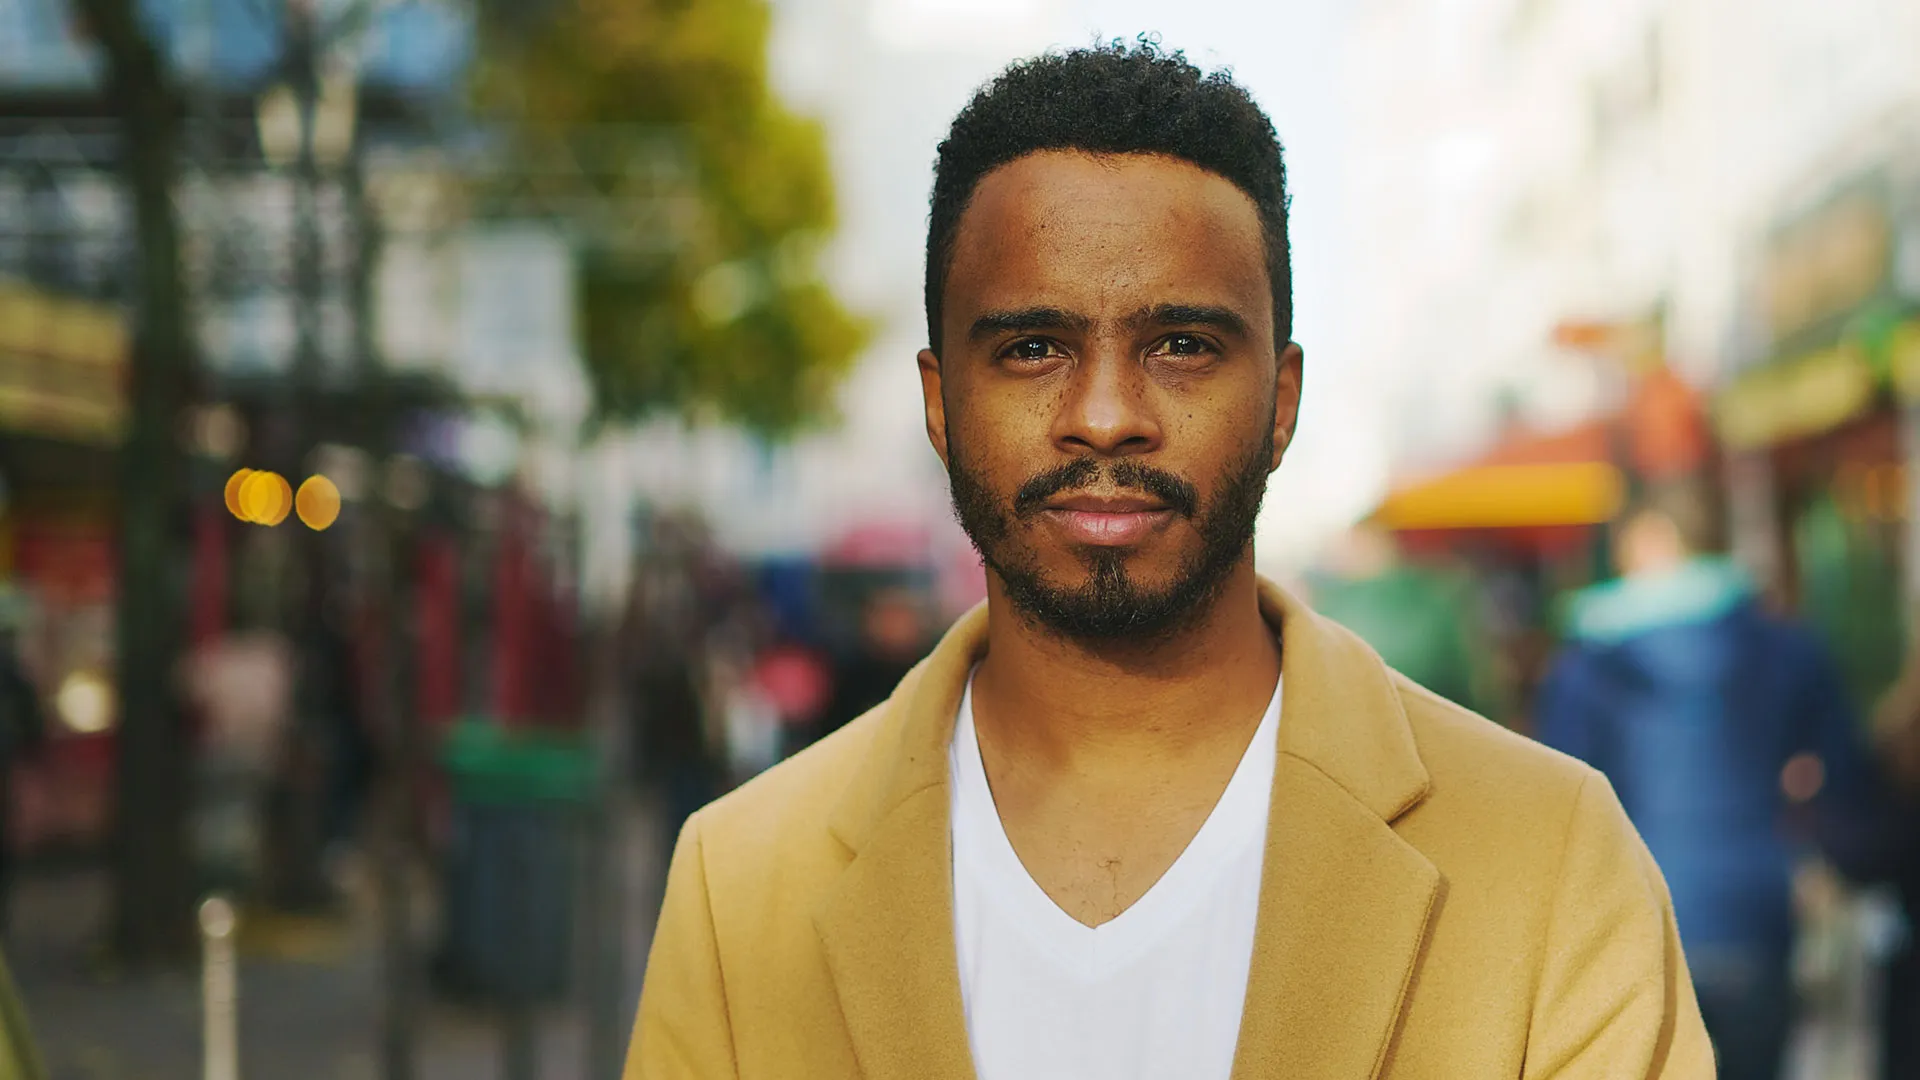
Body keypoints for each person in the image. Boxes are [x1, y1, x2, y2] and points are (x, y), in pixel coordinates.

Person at [629, 41, 1710, 1079]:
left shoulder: (1551, 860)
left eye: (1182, 345)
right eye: (1032, 348)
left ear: (1282, 400)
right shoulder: (742, 884)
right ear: (937, 404)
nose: (1104, 417)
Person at [1535, 487, 1890, 1080]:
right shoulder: (1785, 646)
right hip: (1757, 906)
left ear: (1638, 548)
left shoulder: (1585, 668)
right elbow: (1845, 776)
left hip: (1636, 915)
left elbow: (1556, 806)